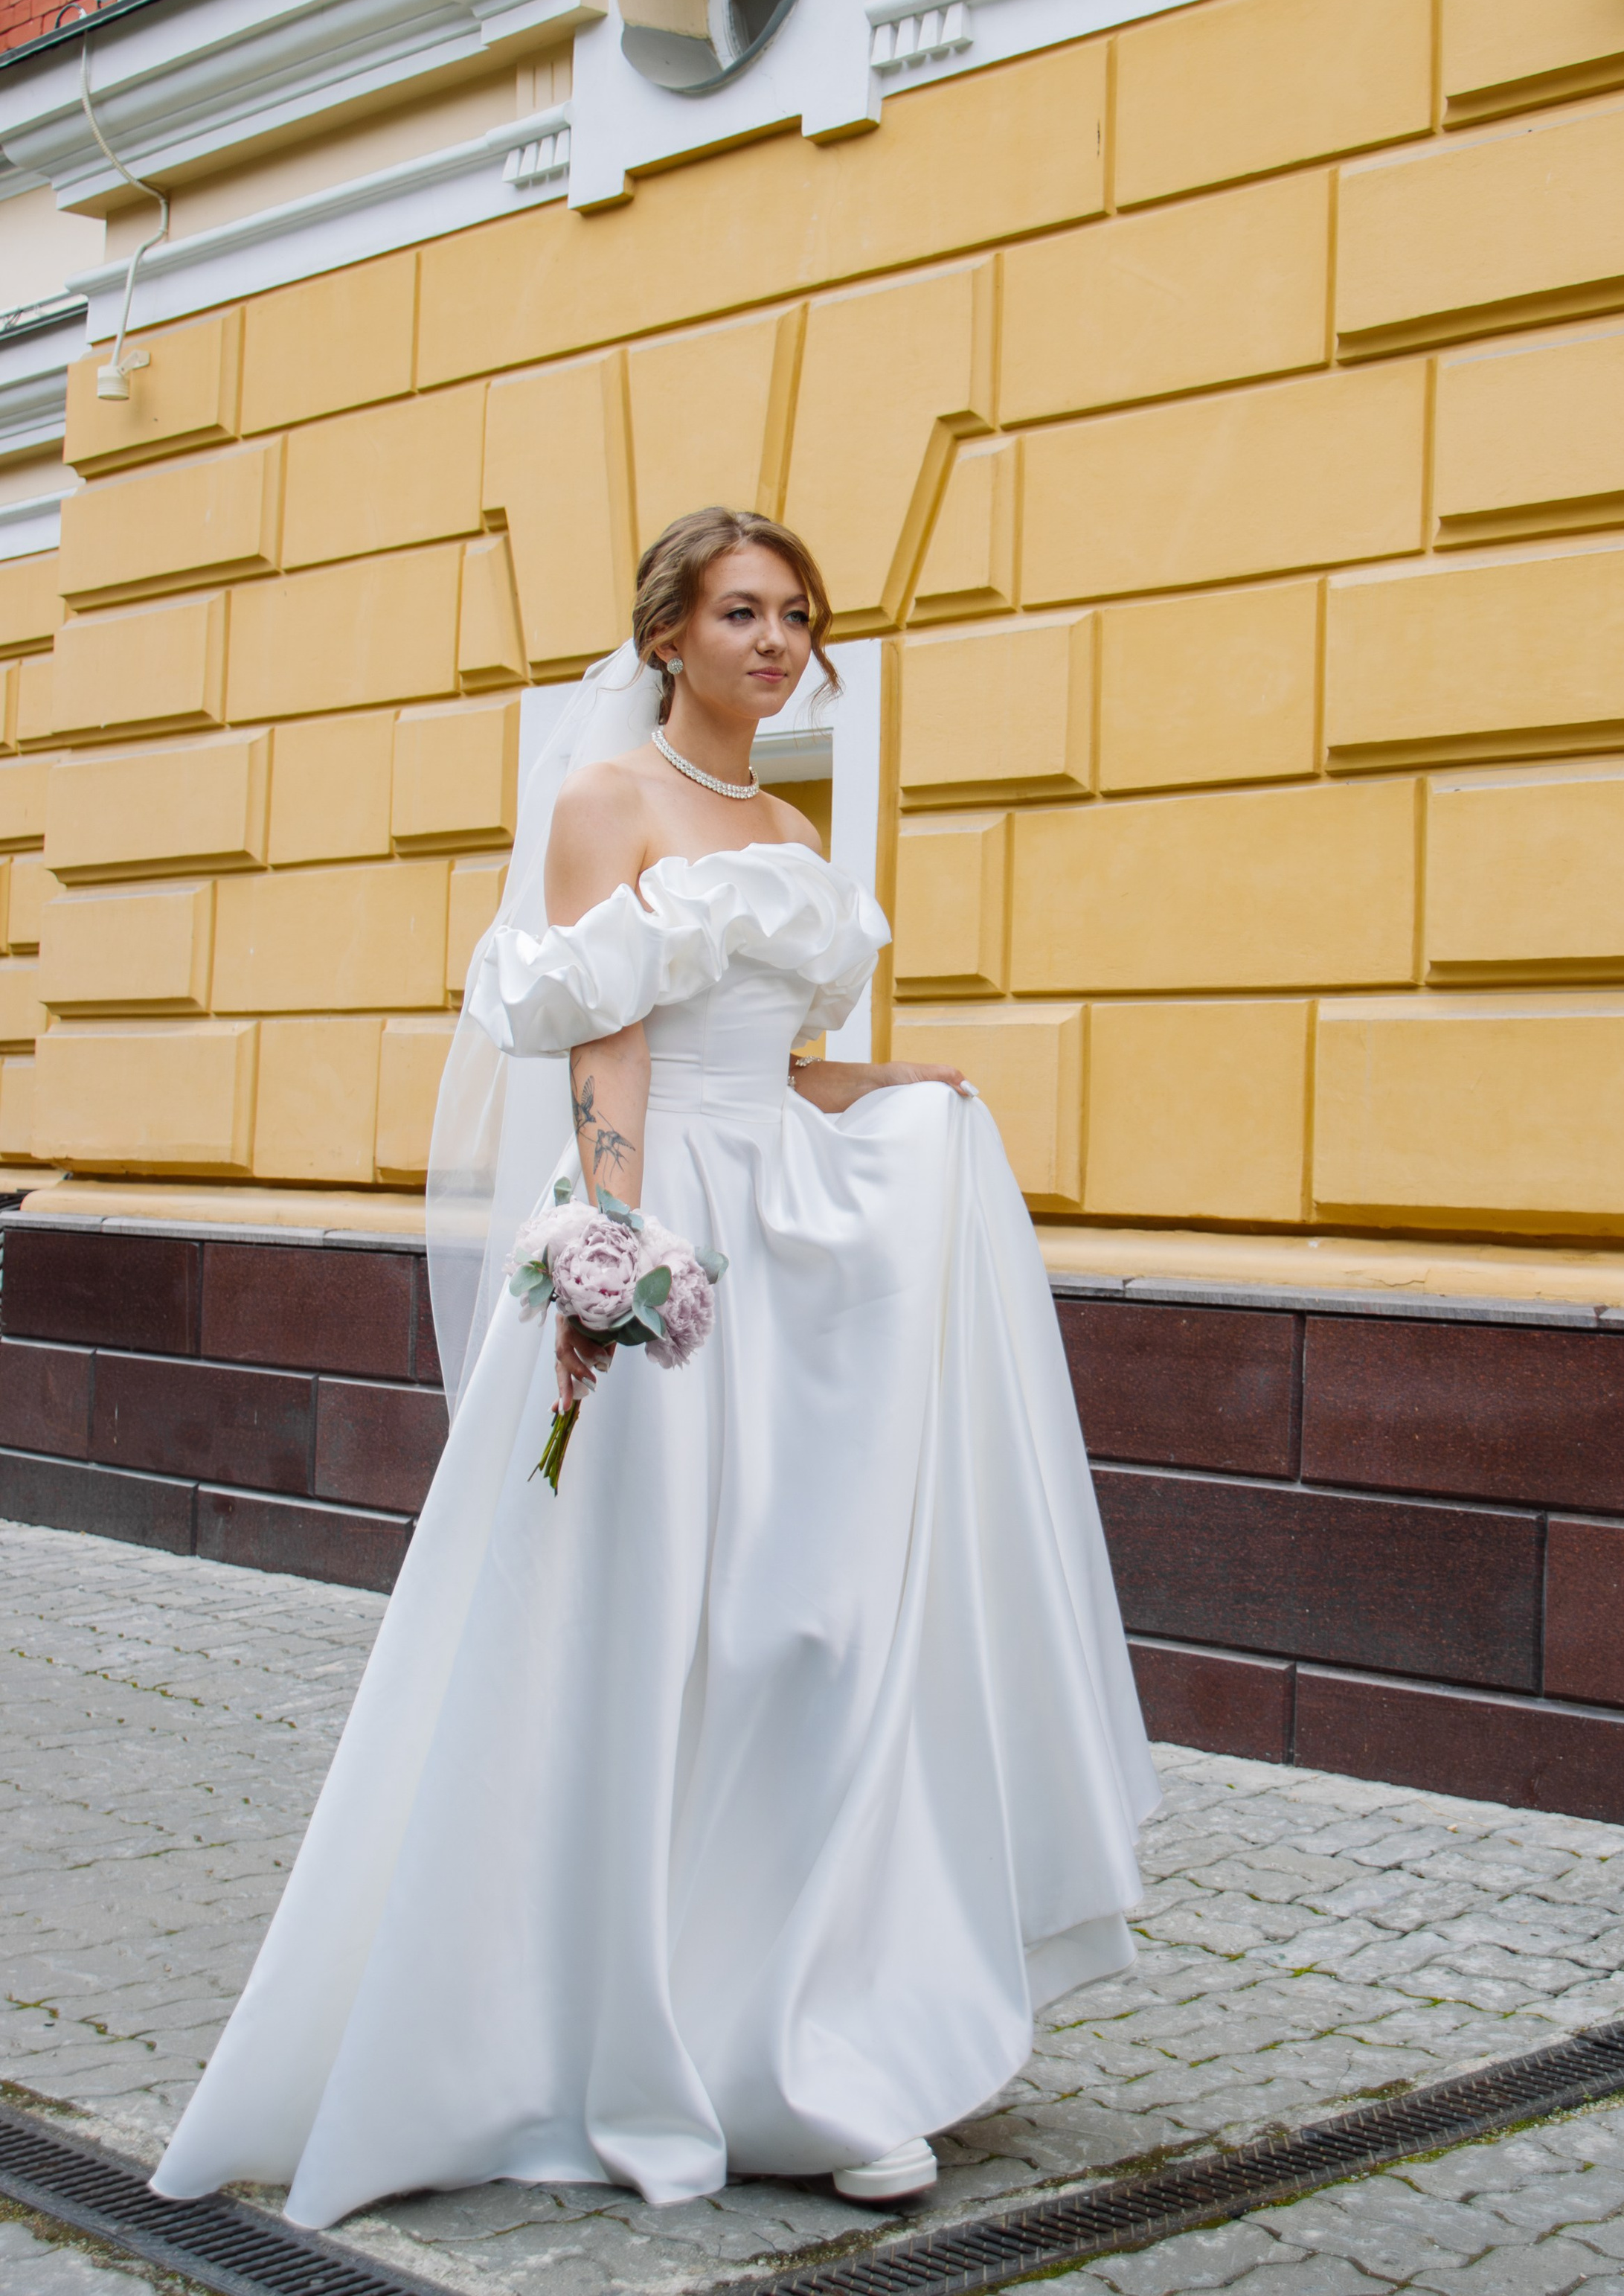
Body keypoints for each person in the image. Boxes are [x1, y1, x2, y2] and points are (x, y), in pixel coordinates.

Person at [153, 506, 1158, 2231]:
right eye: (742, 613)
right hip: (666, 1230)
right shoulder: (605, 804)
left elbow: (783, 1064)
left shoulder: (787, 824)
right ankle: (606, 2031)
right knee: (647, 1629)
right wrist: (603, 1257)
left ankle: (810, 2027)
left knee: (809, 1627)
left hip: (787, 1236)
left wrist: (903, 1093)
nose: (777, 642)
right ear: (670, 637)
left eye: (797, 618)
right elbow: (606, 1051)